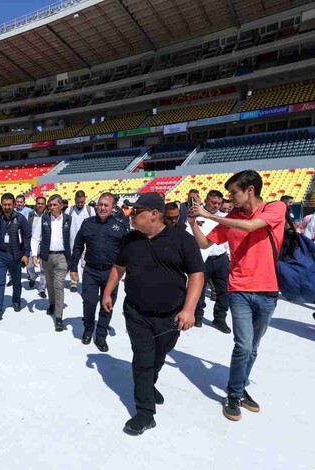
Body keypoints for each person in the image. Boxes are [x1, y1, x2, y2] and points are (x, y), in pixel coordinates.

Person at [102, 192, 204, 435]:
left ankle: (149, 384)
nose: (132, 216)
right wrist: (107, 293)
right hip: (137, 313)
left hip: (171, 317)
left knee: (159, 357)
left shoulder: (182, 239)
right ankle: (145, 413)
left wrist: (189, 310)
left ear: (154, 214)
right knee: (143, 361)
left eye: (137, 212)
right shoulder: (130, 240)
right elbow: (119, 267)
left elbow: (197, 275)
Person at [188, 170, 286, 422]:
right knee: (243, 344)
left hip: (268, 290)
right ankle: (234, 394)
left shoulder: (274, 208)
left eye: (234, 192)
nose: (230, 198)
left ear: (250, 190)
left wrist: (211, 215)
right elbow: (204, 244)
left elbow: (253, 226)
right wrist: (192, 223)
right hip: (239, 289)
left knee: (253, 347)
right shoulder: (231, 218)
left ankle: (240, 389)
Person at [71, 192, 128, 351]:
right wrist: (73, 266)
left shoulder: (120, 226)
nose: (102, 208)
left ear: (112, 208)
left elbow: (127, 250)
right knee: (89, 302)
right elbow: (78, 246)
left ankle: (101, 334)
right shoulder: (87, 224)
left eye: (106, 205)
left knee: (107, 304)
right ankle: (88, 328)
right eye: (100, 204)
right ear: (96, 206)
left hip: (112, 273)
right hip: (91, 270)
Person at [0, 192, 31, 324]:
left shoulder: (20, 218)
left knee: (16, 282)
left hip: (15, 256)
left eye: (9, 204)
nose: (7, 207)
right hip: (0, 255)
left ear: (13, 205)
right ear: (1, 205)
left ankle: (16, 301)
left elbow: (27, 236)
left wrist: (26, 253)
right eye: (5, 204)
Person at [31, 194, 71, 332]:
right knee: (50, 283)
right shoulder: (44, 219)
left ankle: (59, 317)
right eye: (50, 205)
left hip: (62, 256)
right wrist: (35, 254)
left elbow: (72, 238)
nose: (51, 207)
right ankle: (52, 303)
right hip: (47, 256)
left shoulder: (67, 219)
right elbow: (36, 237)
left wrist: (72, 257)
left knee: (59, 285)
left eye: (54, 205)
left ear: (61, 205)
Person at [194, 190, 231, 333]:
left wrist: (229, 255)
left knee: (223, 290)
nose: (216, 205)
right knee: (199, 289)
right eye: (213, 202)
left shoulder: (225, 218)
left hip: (221, 259)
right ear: (206, 201)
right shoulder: (196, 216)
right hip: (202, 258)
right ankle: (197, 315)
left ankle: (220, 318)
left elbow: (228, 239)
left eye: (219, 203)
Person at [68, 190, 95, 292]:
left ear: (85, 199)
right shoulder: (69, 211)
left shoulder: (90, 210)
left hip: (86, 241)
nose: (80, 204)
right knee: (73, 262)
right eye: (78, 202)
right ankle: (74, 282)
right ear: (75, 200)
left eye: (82, 202)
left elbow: (93, 225)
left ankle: (86, 282)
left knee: (85, 262)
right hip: (72, 241)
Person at [27, 196, 47, 299]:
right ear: (36, 204)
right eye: (38, 203)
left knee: (43, 269)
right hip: (32, 244)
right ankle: (33, 276)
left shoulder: (48, 215)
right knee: (29, 266)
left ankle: (42, 288)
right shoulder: (30, 215)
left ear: (45, 205)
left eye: (42, 204)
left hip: (44, 245)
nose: (40, 205)